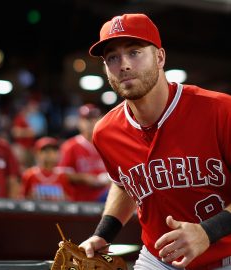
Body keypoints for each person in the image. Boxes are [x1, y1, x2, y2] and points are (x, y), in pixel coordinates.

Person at [79, 13, 231, 270]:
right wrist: (103, 234)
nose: (123, 65)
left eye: (135, 52)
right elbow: (126, 183)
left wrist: (208, 232)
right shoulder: (105, 131)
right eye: (112, 57)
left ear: (160, 57)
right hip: (159, 258)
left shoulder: (219, 109)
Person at [56, 103, 110, 202]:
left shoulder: (109, 145)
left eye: (94, 118)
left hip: (105, 196)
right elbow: (61, 174)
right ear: (79, 122)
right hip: (80, 200)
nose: (91, 122)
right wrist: (83, 178)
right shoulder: (70, 146)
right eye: (87, 119)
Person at [21, 136, 68, 201]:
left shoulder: (62, 176)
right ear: (37, 153)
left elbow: (68, 198)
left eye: (54, 151)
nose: (50, 154)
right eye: (45, 151)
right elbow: (23, 198)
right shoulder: (29, 174)